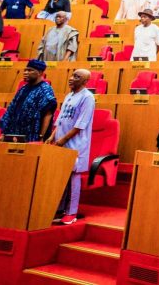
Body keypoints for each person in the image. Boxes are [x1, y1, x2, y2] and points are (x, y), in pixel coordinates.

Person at [47, 69, 95, 225]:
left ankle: (72, 212)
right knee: (61, 176)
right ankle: (60, 209)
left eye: (77, 77)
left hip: (76, 144)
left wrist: (63, 139)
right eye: (72, 75)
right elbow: (60, 120)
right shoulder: (69, 96)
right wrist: (53, 136)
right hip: (61, 141)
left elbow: (81, 124)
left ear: (85, 82)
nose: (71, 78)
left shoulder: (88, 98)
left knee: (74, 177)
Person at [0, 60, 58, 142]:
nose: (25, 72)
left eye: (30, 70)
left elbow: (48, 115)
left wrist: (41, 137)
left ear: (40, 72)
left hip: (32, 136)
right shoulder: (23, 88)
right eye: (25, 70)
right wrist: (4, 133)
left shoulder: (45, 90)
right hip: (14, 133)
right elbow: (11, 109)